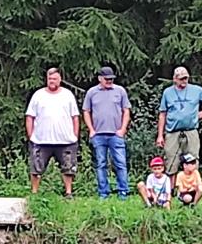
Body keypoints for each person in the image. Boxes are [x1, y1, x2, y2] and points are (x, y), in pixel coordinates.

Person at [25, 67, 80, 198]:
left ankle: (68, 192)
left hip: (66, 140)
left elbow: (75, 116)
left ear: (60, 79)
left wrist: (75, 135)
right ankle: (35, 193)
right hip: (41, 140)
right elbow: (29, 116)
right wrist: (31, 136)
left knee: (68, 168)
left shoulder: (68, 95)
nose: (52, 81)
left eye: (54, 78)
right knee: (36, 168)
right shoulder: (38, 95)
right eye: (50, 79)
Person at [156, 66, 202, 175]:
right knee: (171, 162)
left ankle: (192, 189)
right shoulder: (167, 92)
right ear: (174, 79)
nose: (184, 81)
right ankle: (171, 190)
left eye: (186, 78)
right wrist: (160, 135)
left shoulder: (196, 90)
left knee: (193, 160)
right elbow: (163, 114)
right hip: (173, 132)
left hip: (191, 131)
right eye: (181, 79)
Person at [83, 66, 131, 200]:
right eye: (107, 79)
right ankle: (103, 192)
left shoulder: (120, 91)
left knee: (120, 163)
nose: (109, 81)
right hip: (98, 134)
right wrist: (91, 130)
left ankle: (123, 192)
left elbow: (126, 110)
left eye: (111, 79)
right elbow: (86, 111)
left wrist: (122, 129)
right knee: (101, 164)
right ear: (100, 79)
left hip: (116, 135)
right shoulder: (92, 92)